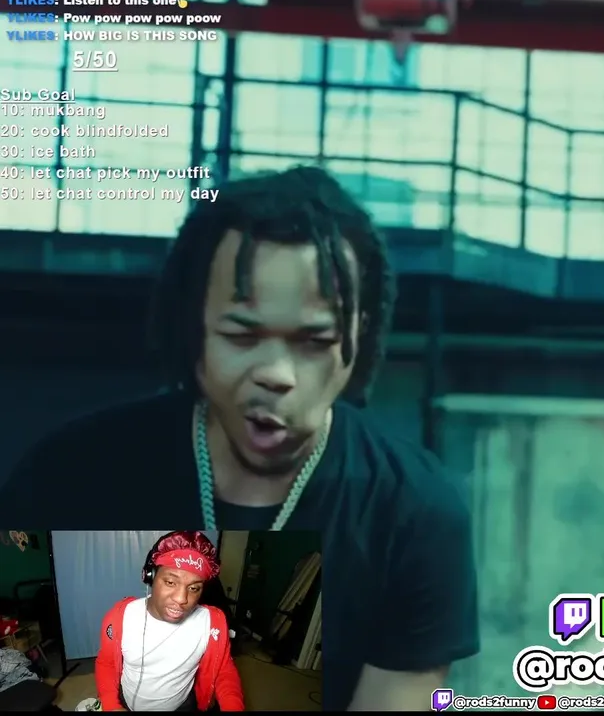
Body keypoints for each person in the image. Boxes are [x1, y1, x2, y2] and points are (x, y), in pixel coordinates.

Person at [0, 167, 479, 710]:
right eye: (241, 334)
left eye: (315, 340)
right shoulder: (66, 474)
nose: (277, 373)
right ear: (193, 326)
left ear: (358, 336)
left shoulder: (417, 511)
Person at [96, 532, 244, 712]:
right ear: (150, 576)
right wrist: (111, 706)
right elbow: (107, 663)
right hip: (126, 702)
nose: (181, 599)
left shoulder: (213, 623)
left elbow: (224, 670)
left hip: (183, 706)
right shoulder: (121, 617)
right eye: (170, 582)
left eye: (194, 588)